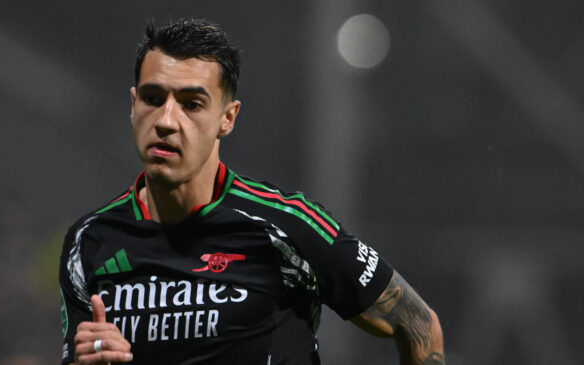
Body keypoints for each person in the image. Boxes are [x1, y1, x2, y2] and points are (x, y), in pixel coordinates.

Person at [58, 19, 444, 365]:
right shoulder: (89, 241)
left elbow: (419, 326)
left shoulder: (286, 226)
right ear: (133, 104)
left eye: (192, 104)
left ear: (227, 118)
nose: (166, 121)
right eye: (153, 99)